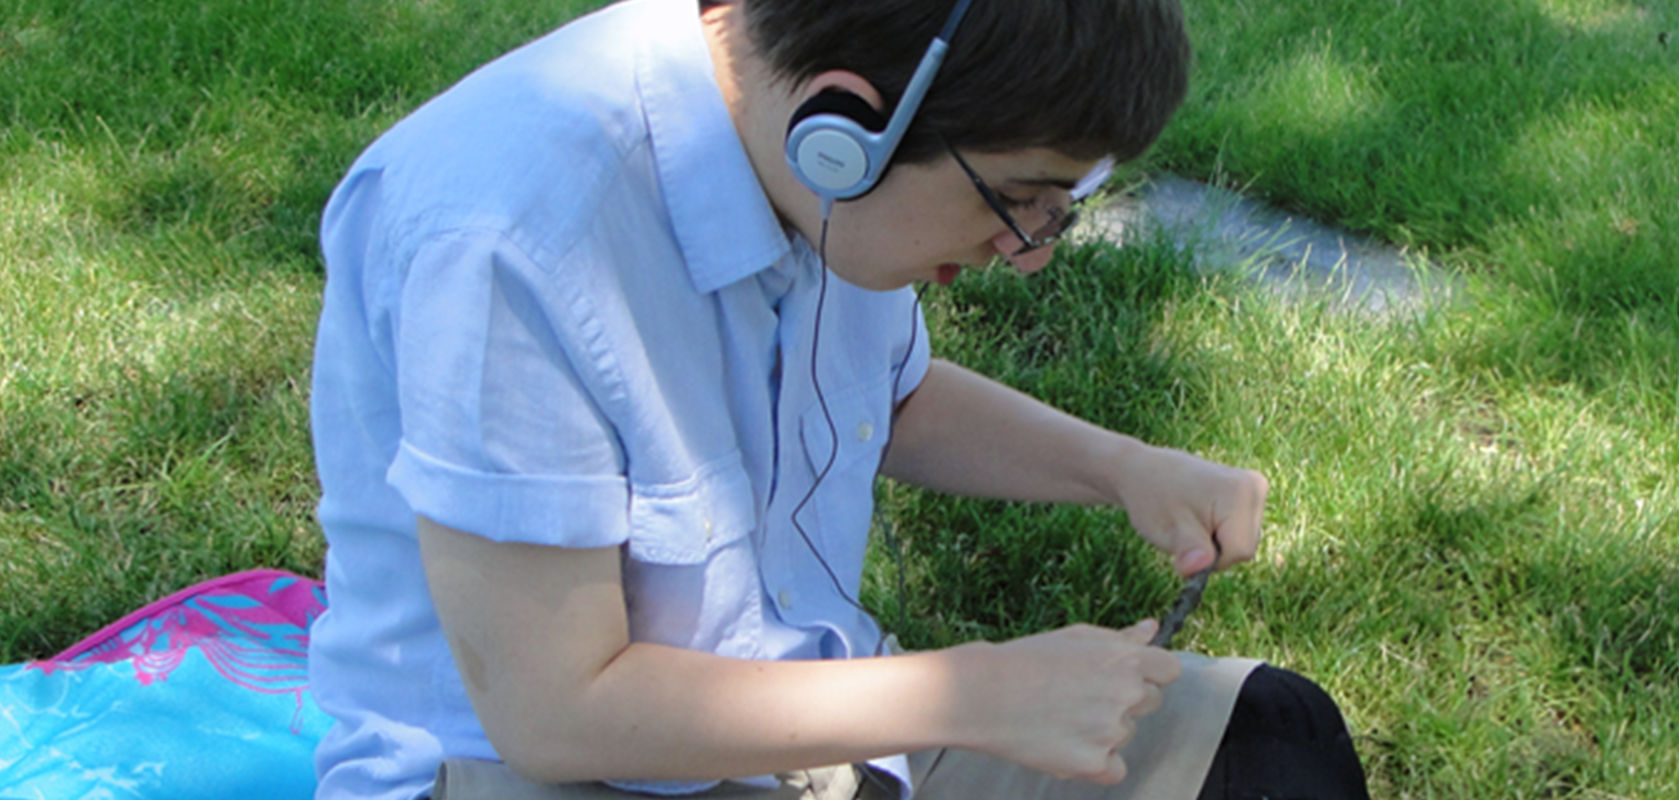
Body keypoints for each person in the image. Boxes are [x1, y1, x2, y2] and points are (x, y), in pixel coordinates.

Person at [306, 0, 1372, 798]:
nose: (1030, 251)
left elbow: (892, 398)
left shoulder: (805, 156)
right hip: (528, 772)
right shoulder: (508, 239)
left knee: (1270, 741)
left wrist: (1125, 467)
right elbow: (556, 708)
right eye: (1019, 199)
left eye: (1065, 207)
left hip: (810, 733)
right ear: (845, 123)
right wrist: (977, 693)